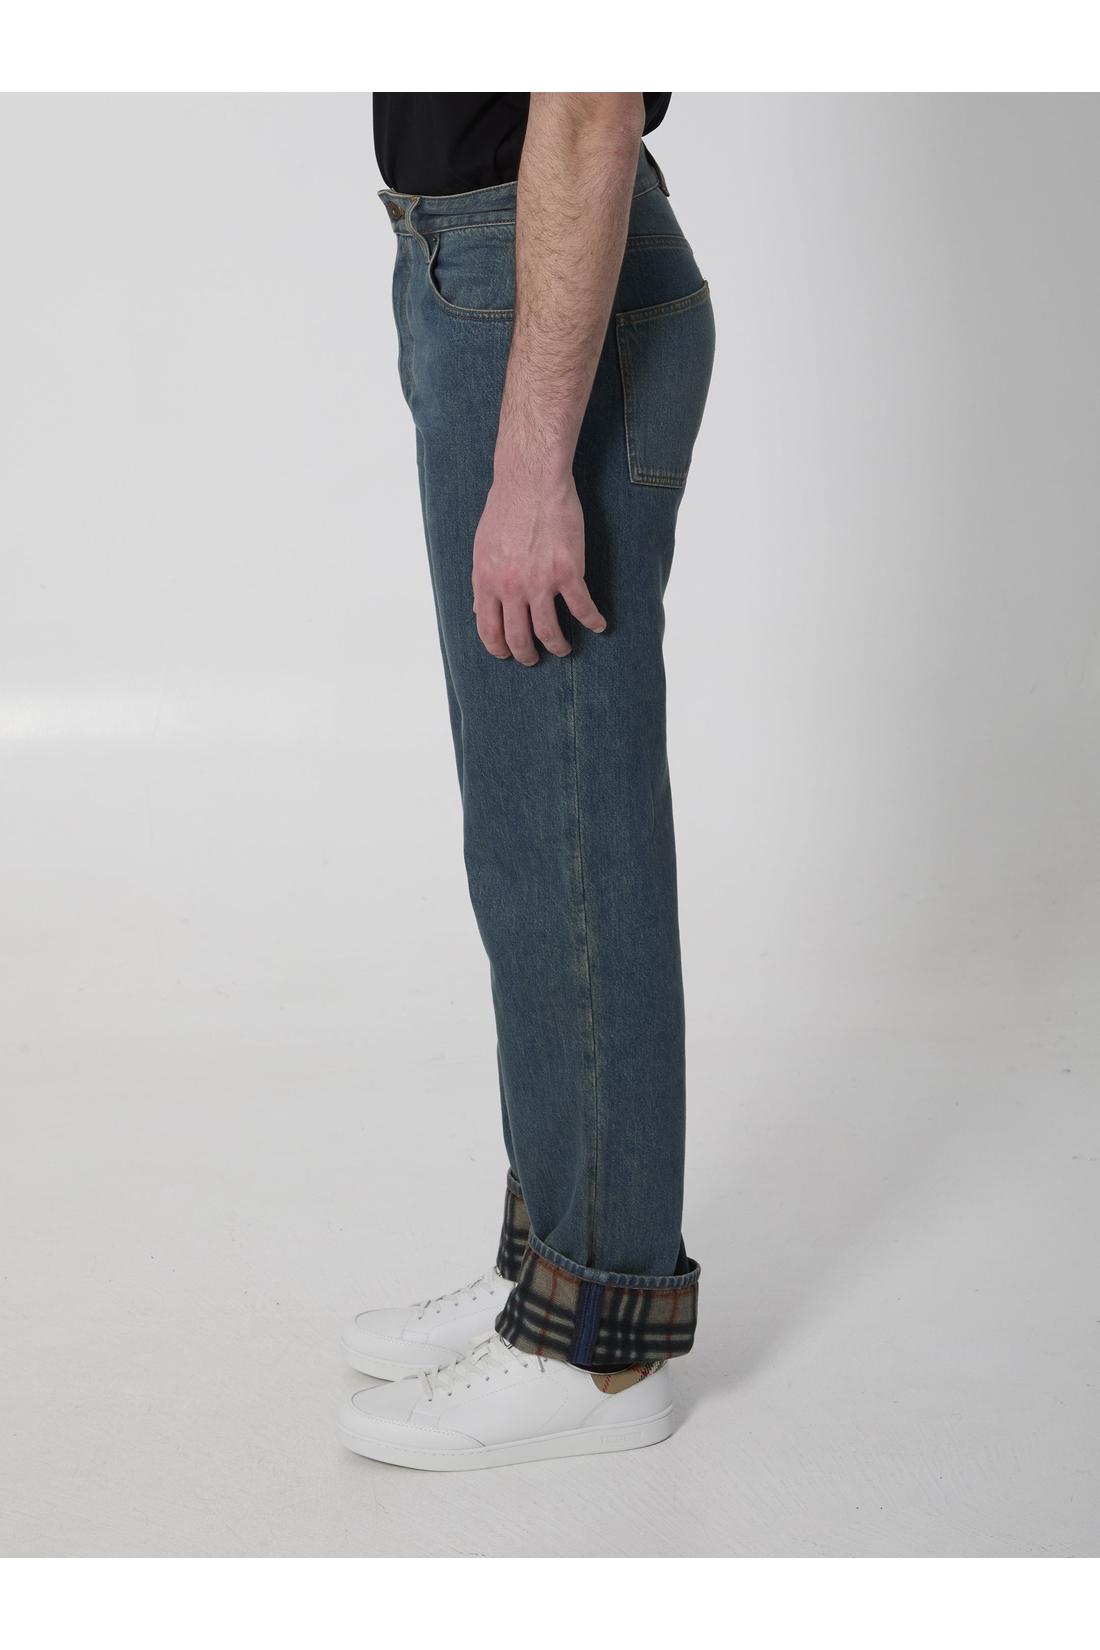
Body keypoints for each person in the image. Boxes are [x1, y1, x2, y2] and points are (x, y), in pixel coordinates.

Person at [339, 92, 714, 1470]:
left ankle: (599, 1344)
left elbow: (590, 99)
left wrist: (534, 459)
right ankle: (548, 1265)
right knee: (525, 833)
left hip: (544, 287)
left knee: (568, 832)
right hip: (489, 265)